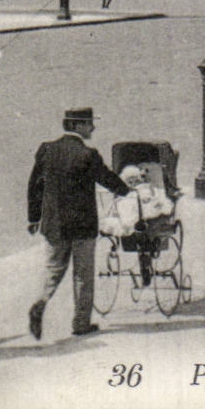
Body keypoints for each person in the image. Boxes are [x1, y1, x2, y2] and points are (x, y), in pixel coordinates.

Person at [27, 108, 129, 340]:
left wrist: (34, 218)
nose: (92, 128)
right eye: (89, 124)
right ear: (78, 125)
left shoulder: (47, 150)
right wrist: (127, 191)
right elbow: (107, 178)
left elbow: (34, 185)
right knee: (82, 274)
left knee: (53, 269)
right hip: (82, 225)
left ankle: (41, 301)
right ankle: (80, 323)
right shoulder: (88, 154)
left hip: (53, 224)